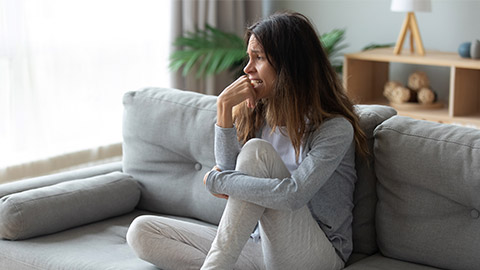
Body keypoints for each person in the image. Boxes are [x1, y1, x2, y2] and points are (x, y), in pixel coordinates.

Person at [126, 11, 368, 270]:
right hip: (258, 247)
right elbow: (232, 186)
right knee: (142, 231)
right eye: (249, 57)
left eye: (259, 58)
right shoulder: (259, 115)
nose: (247, 68)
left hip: (316, 254)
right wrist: (224, 109)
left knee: (256, 152)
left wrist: (216, 179)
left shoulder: (334, 129)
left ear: (290, 65)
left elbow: (292, 195)